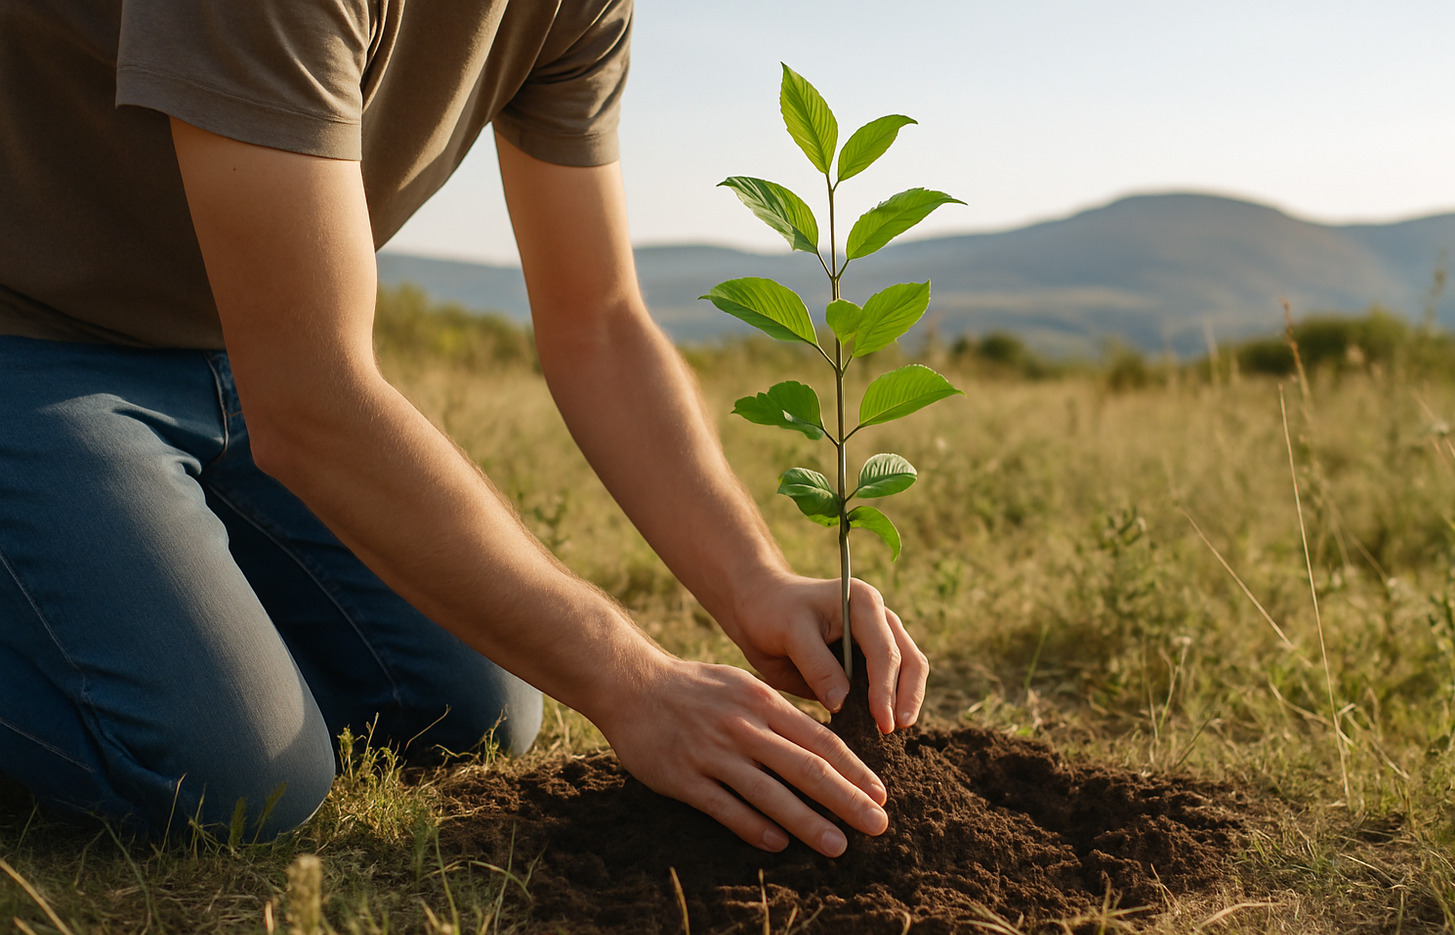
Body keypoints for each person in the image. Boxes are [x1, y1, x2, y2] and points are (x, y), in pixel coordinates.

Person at [0, 0, 928, 858]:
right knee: (228, 780)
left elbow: (596, 321)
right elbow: (314, 402)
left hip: (233, 352)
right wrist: (632, 679)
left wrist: (753, 579)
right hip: (28, 339)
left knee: (463, 711)